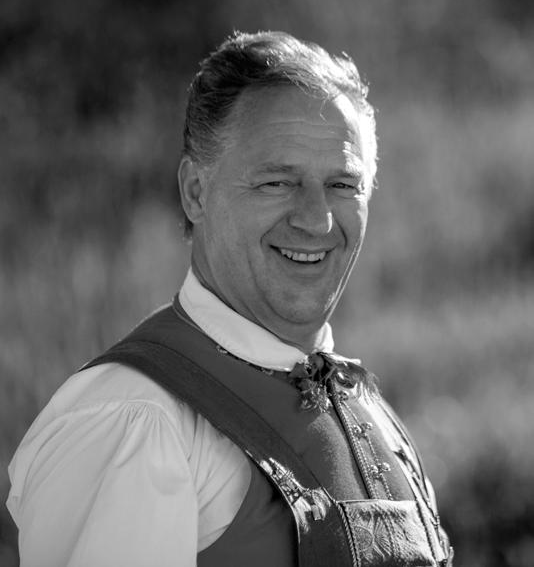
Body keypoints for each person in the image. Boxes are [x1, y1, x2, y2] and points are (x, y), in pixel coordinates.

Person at [7, 31, 453, 566]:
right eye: (277, 183)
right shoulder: (134, 420)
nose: (316, 221)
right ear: (195, 192)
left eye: (343, 185)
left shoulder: (370, 410)